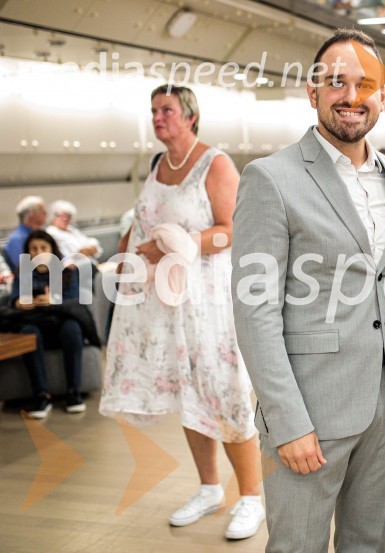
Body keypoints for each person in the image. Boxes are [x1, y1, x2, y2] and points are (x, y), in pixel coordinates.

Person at [231, 29, 385, 553]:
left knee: (367, 544)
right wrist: (286, 421)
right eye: (336, 82)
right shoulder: (271, 178)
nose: (351, 96)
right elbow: (255, 311)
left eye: (365, 84)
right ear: (311, 93)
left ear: (383, 96)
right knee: (296, 546)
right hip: (310, 407)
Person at [99, 84, 264, 540]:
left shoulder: (216, 164)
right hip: (164, 302)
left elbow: (234, 229)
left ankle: (250, 497)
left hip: (207, 301)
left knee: (222, 390)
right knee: (189, 397)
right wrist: (131, 245)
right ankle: (210, 489)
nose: (158, 118)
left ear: (190, 116)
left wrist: (182, 243)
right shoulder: (158, 166)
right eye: (153, 110)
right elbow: (146, 219)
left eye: (166, 110)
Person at [6, 230, 88, 417]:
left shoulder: (67, 272)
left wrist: (54, 299)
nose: (38, 252)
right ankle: (41, 395)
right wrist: (19, 302)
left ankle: (73, 392)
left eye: (43, 247)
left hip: (60, 324)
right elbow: (13, 299)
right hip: (34, 323)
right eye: (33, 249)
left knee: (72, 328)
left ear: (52, 250)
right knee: (29, 333)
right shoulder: (23, 274)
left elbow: (75, 301)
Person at [6, 196, 47, 271]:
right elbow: (23, 269)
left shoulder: (42, 234)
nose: (46, 213)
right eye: (42, 211)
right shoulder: (17, 239)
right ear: (32, 214)